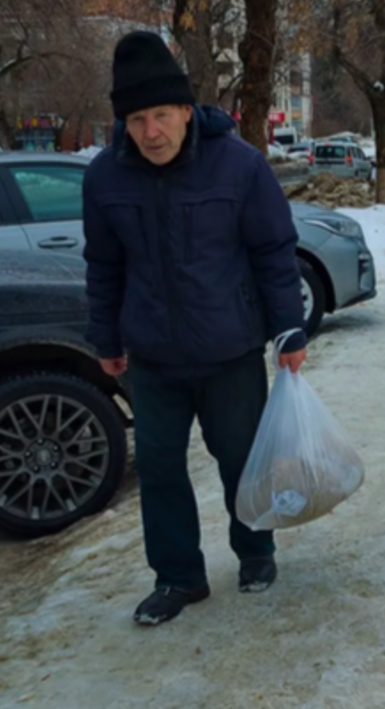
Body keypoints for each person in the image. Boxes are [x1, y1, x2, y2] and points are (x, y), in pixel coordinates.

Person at [83, 32, 308, 627]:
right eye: (137, 119)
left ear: (186, 110)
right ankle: (179, 576)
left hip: (229, 348)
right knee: (158, 467)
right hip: (152, 355)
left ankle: (255, 550)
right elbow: (103, 265)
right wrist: (104, 337)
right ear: (123, 123)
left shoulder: (239, 166)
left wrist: (289, 330)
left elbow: (273, 251)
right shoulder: (105, 178)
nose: (150, 131)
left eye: (161, 115)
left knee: (241, 459)